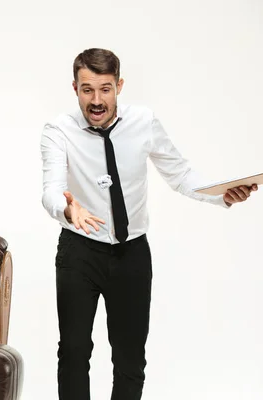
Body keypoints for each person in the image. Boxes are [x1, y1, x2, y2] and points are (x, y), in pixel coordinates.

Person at [40, 48, 257, 400]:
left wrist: (221, 196)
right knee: (75, 351)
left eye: (105, 89)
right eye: (87, 90)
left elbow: (181, 174)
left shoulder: (144, 122)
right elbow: (51, 190)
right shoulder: (58, 131)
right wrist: (67, 210)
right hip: (79, 251)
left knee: (130, 358)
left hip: (132, 255)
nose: (97, 100)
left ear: (119, 86)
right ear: (75, 88)